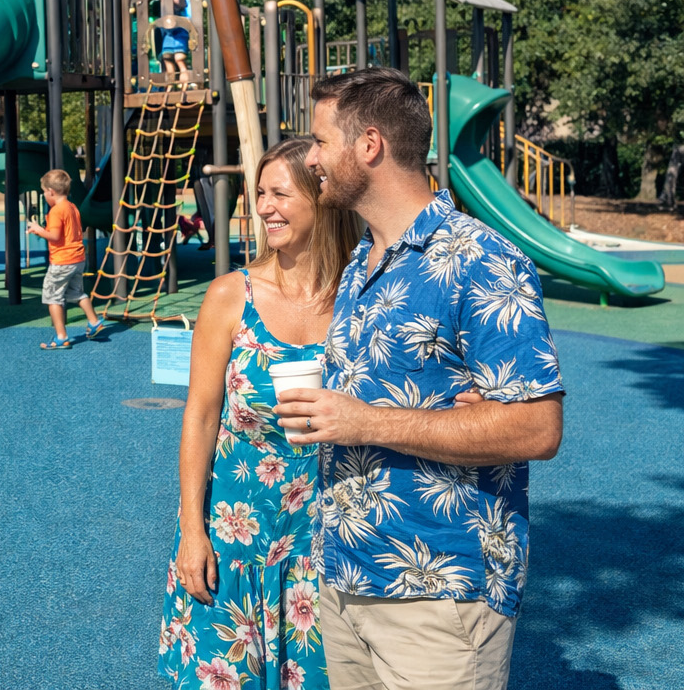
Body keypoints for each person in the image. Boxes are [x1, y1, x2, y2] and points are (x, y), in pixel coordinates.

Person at [276, 69, 564, 690]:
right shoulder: (364, 259)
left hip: (439, 589)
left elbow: (538, 426)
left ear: (369, 145)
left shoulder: (479, 259)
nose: (312, 159)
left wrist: (365, 421)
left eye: (321, 142)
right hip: (348, 580)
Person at [160, 137, 359, 688]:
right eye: (260, 193)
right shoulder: (231, 295)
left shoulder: (361, 297)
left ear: (323, 199)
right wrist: (191, 532)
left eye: (281, 193)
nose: (265, 207)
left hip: (327, 538)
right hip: (233, 534)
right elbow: (199, 417)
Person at [26, 169, 107, 349]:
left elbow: (54, 236)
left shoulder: (56, 211)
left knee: (53, 297)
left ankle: (61, 336)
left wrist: (38, 229)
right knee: (77, 293)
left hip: (62, 261)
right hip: (78, 259)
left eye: (44, 192)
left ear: (51, 192)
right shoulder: (72, 207)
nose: (44, 195)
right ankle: (94, 321)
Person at [159, 0, 196, 85]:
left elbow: (189, 15)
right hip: (169, 33)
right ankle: (169, 86)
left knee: (179, 58)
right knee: (167, 57)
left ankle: (184, 83)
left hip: (181, 32)